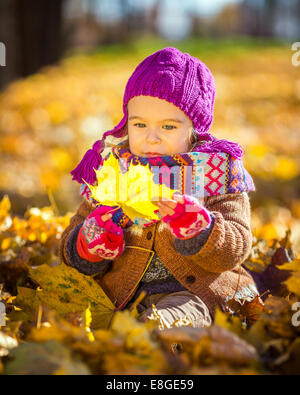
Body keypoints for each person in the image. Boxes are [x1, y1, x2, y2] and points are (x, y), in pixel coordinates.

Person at [59, 47, 259, 328]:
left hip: (193, 294)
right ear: (125, 123)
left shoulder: (215, 171)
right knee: (69, 317)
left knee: (173, 320)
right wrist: (87, 244)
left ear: (193, 128)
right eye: (139, 124)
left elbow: (236, 248)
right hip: (120, 297)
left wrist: (202, 229)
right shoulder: (114, 171)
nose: (151, 138)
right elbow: (71, 244)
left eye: (168, 127)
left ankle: (158, 343)